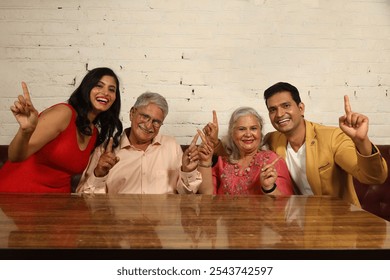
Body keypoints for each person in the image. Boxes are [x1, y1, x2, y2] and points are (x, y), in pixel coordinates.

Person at [0, 67, 123, 193]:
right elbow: (15, 156)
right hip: (15, 197)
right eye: (99, 86)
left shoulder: (93, 134)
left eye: (111, 89)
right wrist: (25, 131)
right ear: (87, 88)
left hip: (56, 205)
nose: (105, 92)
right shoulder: (63, 113)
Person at [76, 91, 208, 194]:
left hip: (162, 225)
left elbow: (186, 195)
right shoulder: (105, 151)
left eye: (156, 121)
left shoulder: (171, 146)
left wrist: (187, 171)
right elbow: (87, 200)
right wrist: (99, 174)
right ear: (132, 113)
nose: (149, 125)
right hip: (120, 225)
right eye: (145, 116)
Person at [198, 107, 293, 195]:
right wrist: (204, 161)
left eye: (253, 128)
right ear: (232, 133)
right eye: (241, 129)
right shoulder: (223, 161)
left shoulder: (272, 161)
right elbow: (207, 195)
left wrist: (269, 188)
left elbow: (285, 204)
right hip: (223, 212)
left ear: (260, 132)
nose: (248, 134)